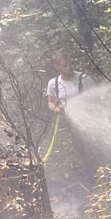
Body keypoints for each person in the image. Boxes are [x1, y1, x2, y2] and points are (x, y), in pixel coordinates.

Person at [45, 50, 98, 188]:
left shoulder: (84, 79)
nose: (69, 67)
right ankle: (90, 179)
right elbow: (51, 101)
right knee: (80, 151)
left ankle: (103, 176)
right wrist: (56, 109)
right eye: (65, 65)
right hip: (69, 124)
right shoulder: (54, 83)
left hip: (89, 121)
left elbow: (96, 99)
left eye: (70, 64)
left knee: (95, 149)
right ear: (57, 67)